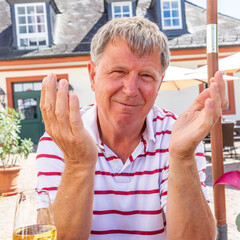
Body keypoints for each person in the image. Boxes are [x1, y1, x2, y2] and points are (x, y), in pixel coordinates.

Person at [37, 17, 227, 240]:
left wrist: (182, 158)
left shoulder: (178, 134)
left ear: (159, 83)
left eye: (146, 76)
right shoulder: (61, 138)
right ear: (93, 75)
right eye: (118, 71)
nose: (130, 89)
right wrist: (79, 164)